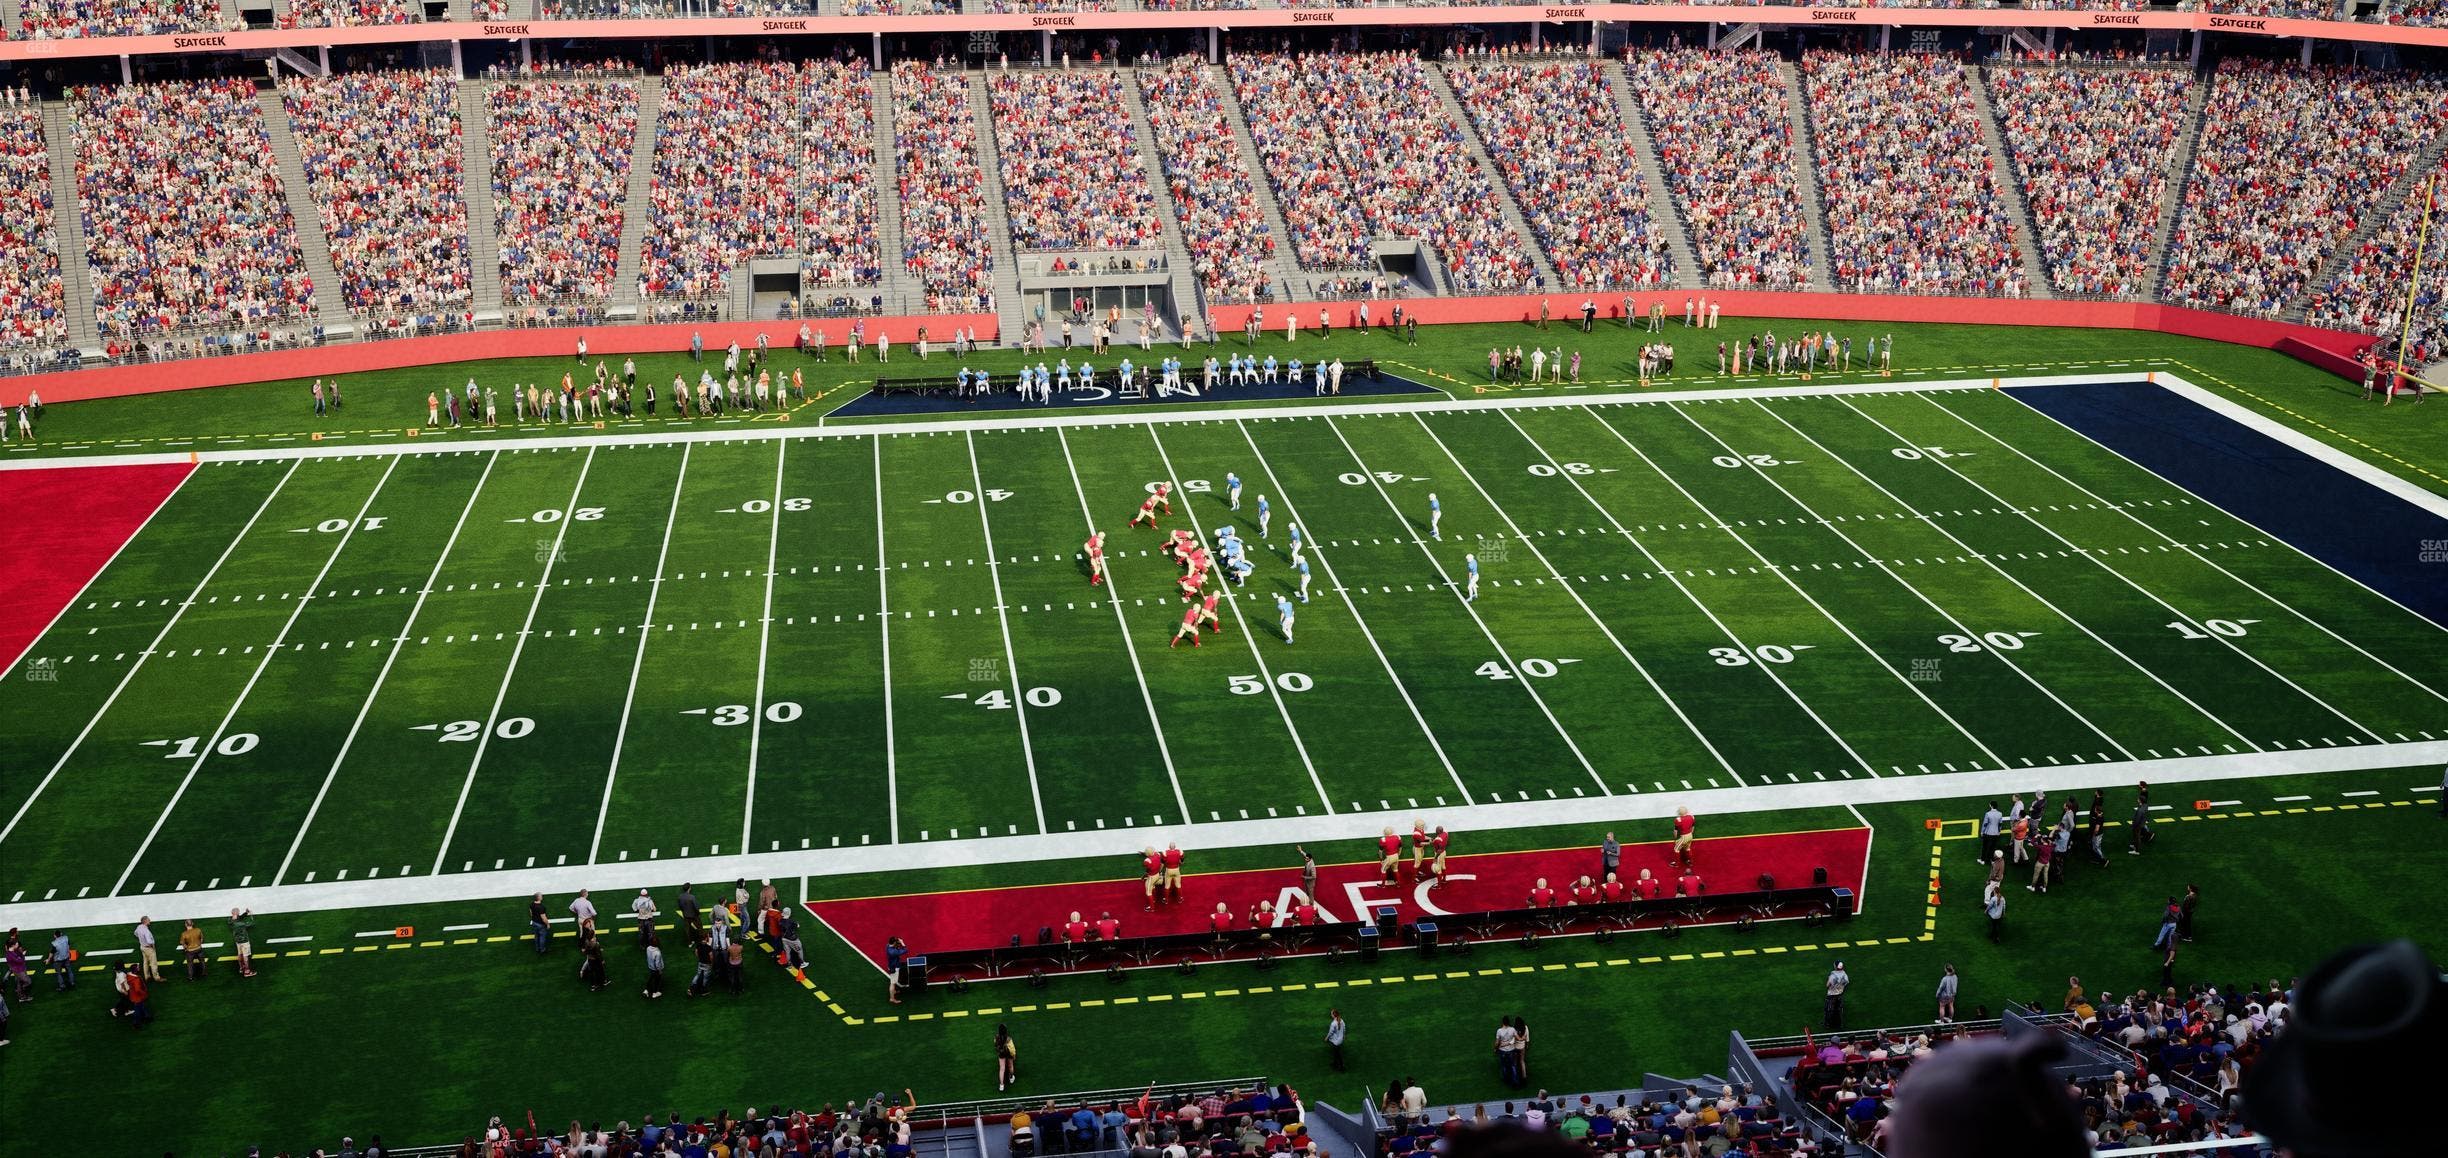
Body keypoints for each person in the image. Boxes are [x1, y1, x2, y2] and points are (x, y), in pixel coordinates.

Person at [229, 909, 255, 978]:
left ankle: (241, 968)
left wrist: (246, 913)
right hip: (244, 941)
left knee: (239, 954)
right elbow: (252, 923)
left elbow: (239, 918)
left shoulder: (230, 921)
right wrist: (251, 915)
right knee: (245, 955)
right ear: (237, 913)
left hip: (237, 941)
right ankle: (247, 971)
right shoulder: (241, 924)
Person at [134, 916, 161, 982]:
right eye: (148, 919)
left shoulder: (139, 927)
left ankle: (147, 976)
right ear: (145, 921)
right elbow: (149, 941)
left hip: (142, 947)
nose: (150, 920)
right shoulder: (146, 930)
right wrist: (152, 945)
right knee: (153, 963)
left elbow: (135, 933)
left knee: (145, 962)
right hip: (148, 948)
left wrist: (141, 939)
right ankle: (156, 977)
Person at [995, 1023, 1019, 1092]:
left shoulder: (996, 1037)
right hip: (1008, 1053)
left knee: (1002, 1068)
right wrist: (1014, 1055)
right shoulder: (1008, 1039)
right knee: (1010, 1066)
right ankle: (1011, 1078)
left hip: (1001, 1053)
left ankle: (1001, 1085)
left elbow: (995, 1044)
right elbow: (1012, 1049)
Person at [1825, 961, 1850, 1030]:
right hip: (1840, 995)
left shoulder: (1832, 976)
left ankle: (1828, 1024)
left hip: (1832, 995)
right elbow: (1846, 983)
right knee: (1838, 1010)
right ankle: (1838, 1024)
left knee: (1829, 1010)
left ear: (1836, 967)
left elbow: (1827, 985)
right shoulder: (1845, 975)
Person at [642, 935, 665, 999]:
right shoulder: (657, 953)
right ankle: (655, 993)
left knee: (651, 978)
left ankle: (646, 990)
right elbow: (657, 964)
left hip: (650, 967)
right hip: (656, 969)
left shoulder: (648, 948)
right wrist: (660, 971)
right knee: (657, 981)